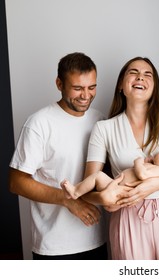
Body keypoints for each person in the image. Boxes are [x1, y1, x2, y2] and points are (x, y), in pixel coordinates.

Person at [82, 56, 159, 260]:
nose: (140, 77)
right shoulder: (104, 128)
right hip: (127, 216)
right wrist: (103, 198)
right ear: (121, 84)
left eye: (147, 74)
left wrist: (154, 186)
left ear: (154, 86)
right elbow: (87, 189)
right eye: (133, 72)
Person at [8, 52, 117, 260]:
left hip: (97, 239)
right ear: (59, 84)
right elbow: (16, 182)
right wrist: (69, 201)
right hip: (54, 247)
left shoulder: (100, 121)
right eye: (77, 88)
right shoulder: (39, 124)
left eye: (91, 87)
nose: (86, 95)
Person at [60, 145, 159, 202]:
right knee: (97, 177)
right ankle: (76, 191)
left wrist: (139, 162)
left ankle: (76, 192)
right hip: (117, 187)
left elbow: (142, 175)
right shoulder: (158, 170)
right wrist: (148, 163)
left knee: (98, 176)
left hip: (118, 188)